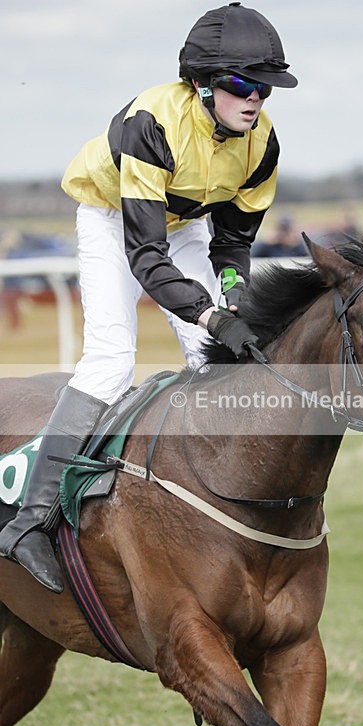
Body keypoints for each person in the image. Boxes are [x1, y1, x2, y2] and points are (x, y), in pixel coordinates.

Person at [0, 2, 297, 593]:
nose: (256, 98)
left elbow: (233, 243)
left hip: (185, 227)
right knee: (111, 360)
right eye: (242, 85)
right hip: (116, 221)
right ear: (201, 84)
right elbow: (146, 258)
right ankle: (28, 522)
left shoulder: (262, 144)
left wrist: (233, 298)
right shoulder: (152, 122)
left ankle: (219, 509)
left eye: (264, 87)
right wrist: (210, 312)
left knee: (216, 357)